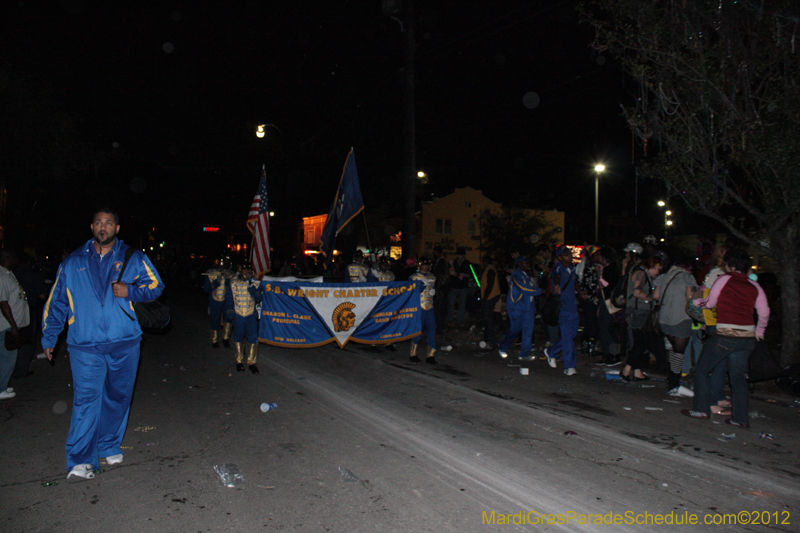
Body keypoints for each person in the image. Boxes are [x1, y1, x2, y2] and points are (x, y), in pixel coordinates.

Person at [41, 208, 164, 482]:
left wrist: (130, 291)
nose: (103, 227)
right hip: (85, 345)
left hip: (125, 343)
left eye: (108, 223)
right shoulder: (72, 262)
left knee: (119, 396)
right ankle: (80, 459)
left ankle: (108, 444)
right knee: (86, 401)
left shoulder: (134, 257)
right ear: (92, 227)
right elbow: (57, 301)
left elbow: (156, 286)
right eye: (98, 222)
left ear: (117, 228)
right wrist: (49, 337)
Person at [682, 248, 769, 428]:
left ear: (729, 265)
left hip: (726, 335)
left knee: (702, 370)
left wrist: (696, 302)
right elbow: (765, 312)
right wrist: (759, 331)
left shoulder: (724, 280)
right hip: (747, 338)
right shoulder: (755, 286)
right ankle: (740, 418)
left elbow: (710, 303)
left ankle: (701, 409)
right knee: (737, 378)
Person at [652, 257, 697, 395]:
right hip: (680, 318)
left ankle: (672, 380)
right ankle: (673, 384)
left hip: (664, 318)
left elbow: (656, 296)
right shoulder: (687, 277)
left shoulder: (664, 276)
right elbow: (690, 297)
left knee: (672, 350)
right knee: (678, 353)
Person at [620, 255, 664, 381]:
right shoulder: (641, 273)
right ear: (653, 266)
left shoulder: (640, 272)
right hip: (638, 311)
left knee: (638, 343)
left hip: (638, 311)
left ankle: (636, 371)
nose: (658, 272)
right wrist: (651, 298)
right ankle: (627, 369)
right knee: (641, 342)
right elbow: (637, 291)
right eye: (658, 269)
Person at [12, 253, 48, 378]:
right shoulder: (32, 275)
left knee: (12, 340)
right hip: (26, 310)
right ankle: (21, 370)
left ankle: (11, 369)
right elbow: (42, 295)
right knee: (27, 340)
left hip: (11, 312)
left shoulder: (12, 274)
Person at [498, 257, 541, 361]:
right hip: (516, 308)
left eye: (528, 263)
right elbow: (524, 289)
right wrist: (540, 291)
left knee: (528, 330)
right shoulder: (517, 275)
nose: (527, 265)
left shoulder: (526, 275)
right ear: (520, 264)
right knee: (515, 329)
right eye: (525, 263)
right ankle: (503, 346)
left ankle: (524, 354)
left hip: (527, 308)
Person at [544, 246, 579, 375]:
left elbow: (574, 283)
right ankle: (569, 366)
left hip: (573, 307)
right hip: (564, 308)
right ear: (559, 258)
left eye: (569, 254)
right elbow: (557, 277)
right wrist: (557, 285)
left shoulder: (571, 269)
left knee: (571, 335)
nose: (569, 256)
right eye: (565, 255)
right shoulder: (559, 268)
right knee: (568, 338)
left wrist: (581, 292)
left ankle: (551, 352)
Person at [1, 249, 30, 400]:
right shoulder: (1, 276)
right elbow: (3, 303)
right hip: (5, 325)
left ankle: (3, 385)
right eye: (13, 256)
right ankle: (1, 388)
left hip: (11, 324)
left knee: (7, 356)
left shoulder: (7, 273)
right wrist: (12, 326)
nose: (16, 259)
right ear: (7, 257)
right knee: (7, 357)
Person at [224, 262, 263, 374]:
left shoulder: (255, 283)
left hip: (250, 315)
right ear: (241, 271)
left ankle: (251, 362)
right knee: (238, 338)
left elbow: (259, 298)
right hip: (238, 314)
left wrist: (252, 287)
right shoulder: (233, 283)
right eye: (245, 270)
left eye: (249, 270)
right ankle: (239, 361)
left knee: (253, 338)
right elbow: (228, 299)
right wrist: (231, 314)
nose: (247, 272)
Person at [408, 257, 438, 364]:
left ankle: (430, 355)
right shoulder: (414, 277)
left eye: (427, 265)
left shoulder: (432, 277)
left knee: (432, 329)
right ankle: (413, 353)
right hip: (418, 307)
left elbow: (434, 289)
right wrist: (421, 286)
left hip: (429, 307)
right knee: (417, 330)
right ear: (420, 266)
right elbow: (410, 292)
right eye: (424, 265)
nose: (425, 267)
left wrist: (434, 292)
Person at [204, 262, 232, 348]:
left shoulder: (230, 274)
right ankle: (214, 340)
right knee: (215, 319)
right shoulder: (211, 274)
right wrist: (217, 282)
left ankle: (226, 338)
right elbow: (206, 289)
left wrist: (227, 281)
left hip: (226, 300)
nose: (221, 266)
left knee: (228, 319)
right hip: (215, 300)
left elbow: (233, 288)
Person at [479, 255, 501, 349]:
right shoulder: (490, 269)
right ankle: (487, 337)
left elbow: (490, 285)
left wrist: (485, 298)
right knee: (487, 317)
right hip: (491, 296)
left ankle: (492, 339)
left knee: (488, 318)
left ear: (485, 262)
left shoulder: (490, 270)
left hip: (490, 296)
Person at [447, 247, 472, 327]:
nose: (459, 256)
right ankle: (449, 320)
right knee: (451, 303)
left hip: (463, 286)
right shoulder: (453, 262)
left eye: (461, 255)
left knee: (462, 304)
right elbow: (451, 273)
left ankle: (460, 320)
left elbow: (471, 274)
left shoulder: (468, 263)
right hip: (454, 285)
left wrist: (465, 275)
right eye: (458, 255)